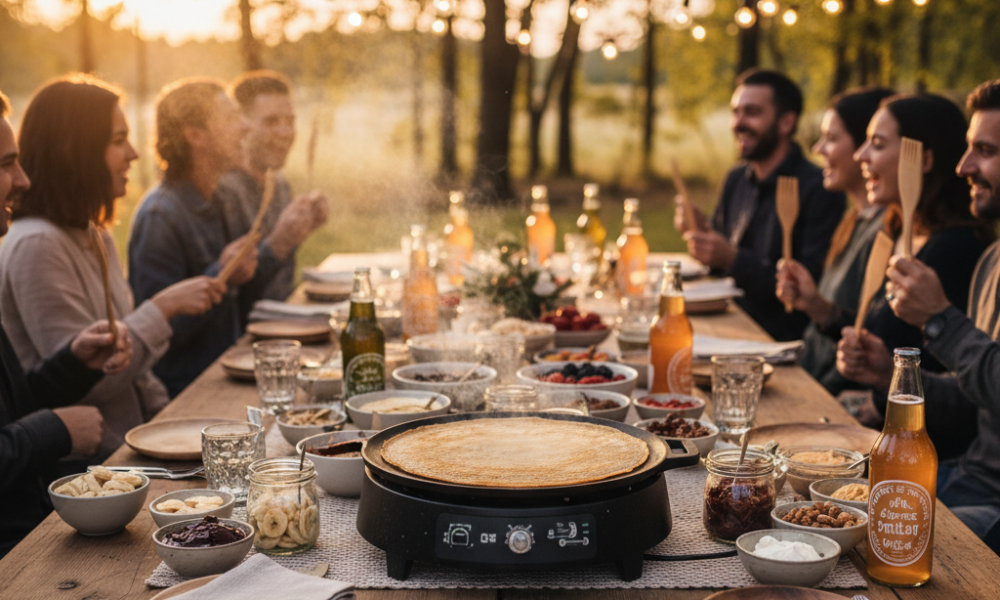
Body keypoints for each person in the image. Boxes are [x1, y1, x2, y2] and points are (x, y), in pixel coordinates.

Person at [0, 75, 227, 458]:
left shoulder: (94, 234)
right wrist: (163, 308)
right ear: (75, 150)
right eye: (118, 140)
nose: (134, 154)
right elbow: (96, 387)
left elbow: (131, 373)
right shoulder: (38, 243)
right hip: (93, 471)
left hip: (134, 452)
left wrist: (173, 420)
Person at [854, 80, 1000, 553]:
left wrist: (940, 321)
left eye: (985, 151)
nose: (965, 167)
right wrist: (889, 380)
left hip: (990, 502)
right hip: (968, 477)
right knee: (818, 503)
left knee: (865, 544)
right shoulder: (993, 259)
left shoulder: (963, 249)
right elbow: (980, 402)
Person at [0, 88, 132, 558]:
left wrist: (74, 363)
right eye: (5, 164)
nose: (22, 180)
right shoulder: (35, 244)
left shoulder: (95, 237)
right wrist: (53, 431)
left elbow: (13, 408)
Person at [834, 93, 991, 458]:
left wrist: (882, 393)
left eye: (877, 144)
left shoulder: (956, 250)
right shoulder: (894, 233)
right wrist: (881, 373)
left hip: (924, 453)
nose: (860, 156)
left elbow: (968, 399)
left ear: (924, 160)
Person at [675, 69, 846, 341]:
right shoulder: (736, 178)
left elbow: (808, 287)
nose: (738, 123)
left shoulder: (819, 189)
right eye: (735, 112)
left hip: (780, 340)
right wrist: (702, 236)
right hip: (729, 327)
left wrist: (732, 258)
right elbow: (718, 268)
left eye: (751, 112)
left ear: (786, 122)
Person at [128, 78, 259, 397]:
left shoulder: (223, 197)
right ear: (196, 135)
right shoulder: (161, 217)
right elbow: (157, 336)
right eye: (231, 118)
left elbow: (250, 296)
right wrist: (221, 276)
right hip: (186, 397)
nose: (245, 127)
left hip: (228, 377)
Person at [775, 88, 894, 396]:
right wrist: (812, 303)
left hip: (826, 397)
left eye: (831, 138)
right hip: (807, 378)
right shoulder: (852, 220)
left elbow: (868, 342)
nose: (818, 148)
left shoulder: (887, 233)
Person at [215, 70, 329, 326]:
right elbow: (233, 298)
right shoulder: (223, 192)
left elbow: (280, 280)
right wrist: (278, 243)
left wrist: (301, 230)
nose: (285, 132)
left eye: (290, 121)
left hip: (283, 324)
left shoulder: (277, 182)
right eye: (270, 122)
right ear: (241, 125)